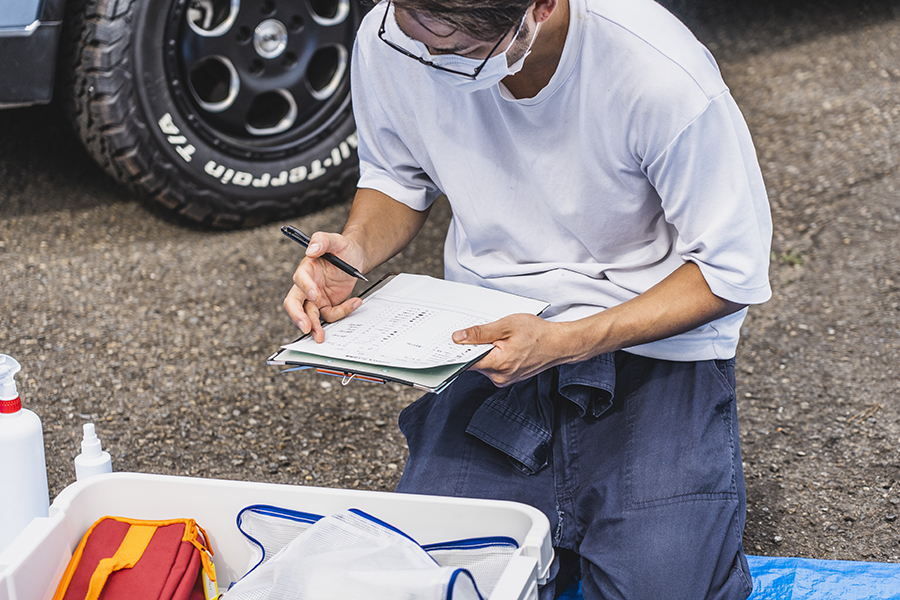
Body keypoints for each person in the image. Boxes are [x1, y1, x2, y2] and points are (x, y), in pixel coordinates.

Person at [283, 0, 772, 596]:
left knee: (664, 585)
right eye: (415, 38)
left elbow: (730, 271)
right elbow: (397, 174)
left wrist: (565, 342)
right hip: (490, 335)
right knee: (434, 580)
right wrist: (353, 250)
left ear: (539, 7)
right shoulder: (394, 35)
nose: (429, 62)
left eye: (459, 51)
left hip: (652, 342)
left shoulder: (658, 73)